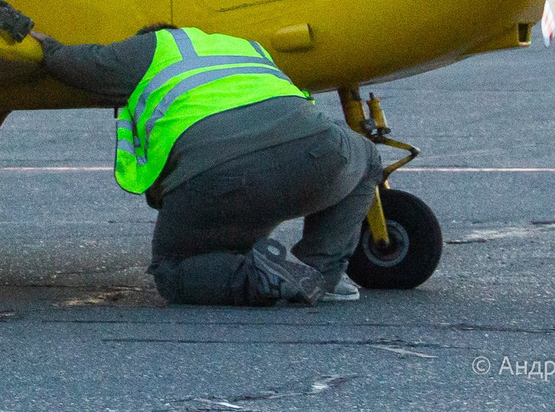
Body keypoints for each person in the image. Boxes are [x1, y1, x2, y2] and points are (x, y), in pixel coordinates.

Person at [35, 25, 380, 306]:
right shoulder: (246, 46)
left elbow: (81, 65)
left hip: (219, 175)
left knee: (173, 271)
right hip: (316, 153)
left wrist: (42, 44)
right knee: (368, 157)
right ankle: (319, 272)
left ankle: (262, 278)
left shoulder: (156, 44)